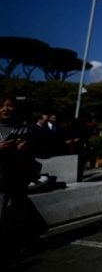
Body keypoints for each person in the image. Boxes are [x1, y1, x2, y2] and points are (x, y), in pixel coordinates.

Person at [0, 95, 48, 259]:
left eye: (9, 106)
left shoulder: (24, 128)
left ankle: (20, 244)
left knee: (17, 212)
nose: (5, 109)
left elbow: (42, 150)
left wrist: (26, 147)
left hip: (16, 177)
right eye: (2, 106)